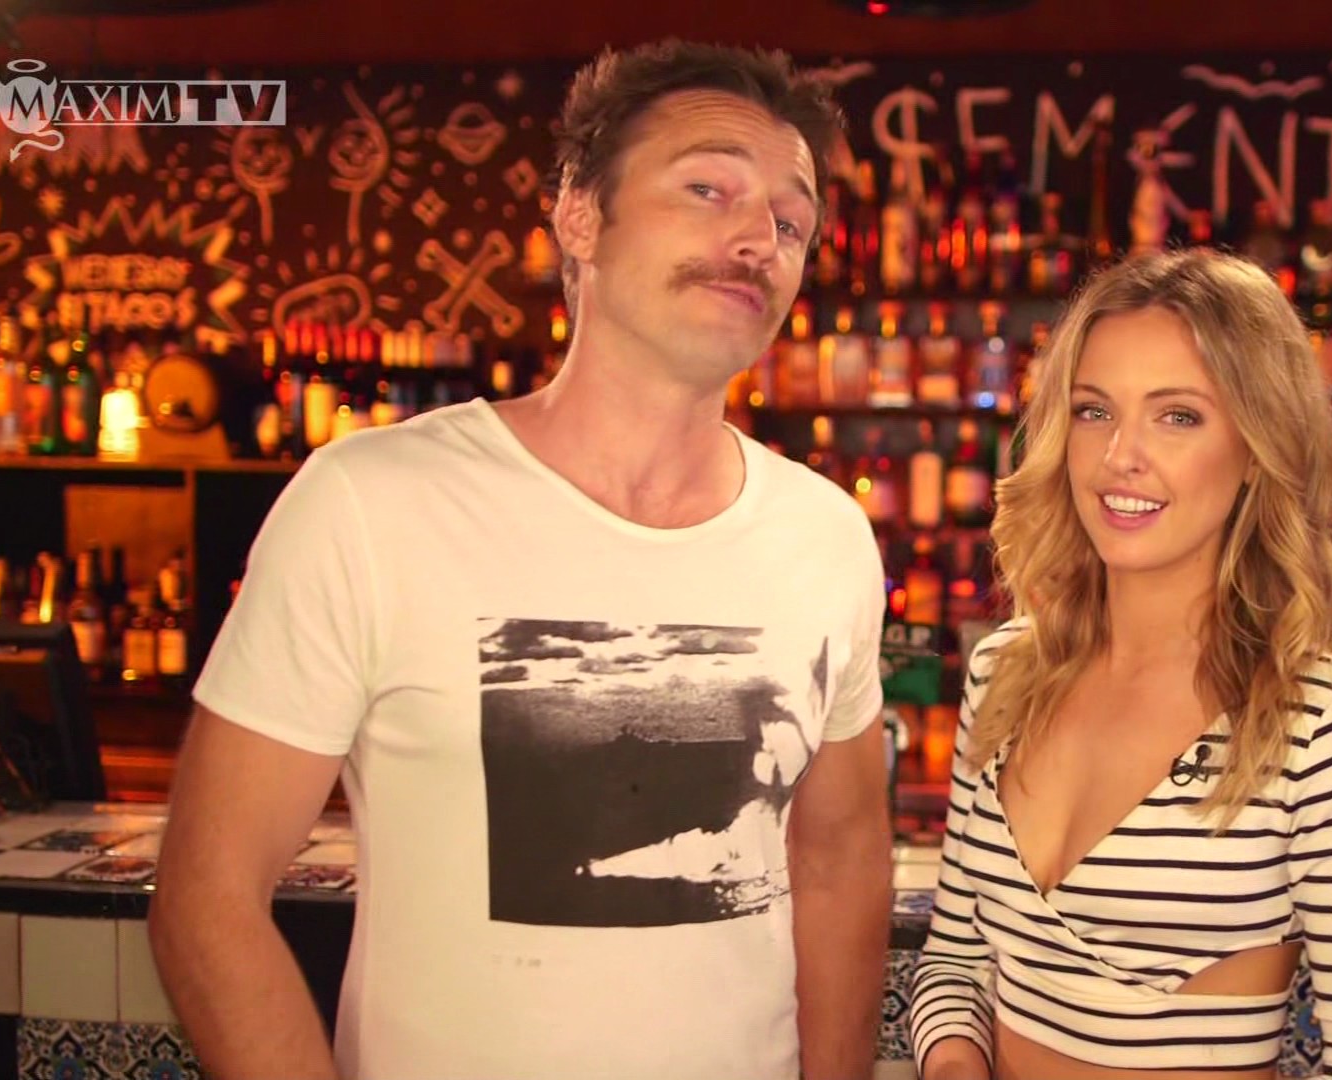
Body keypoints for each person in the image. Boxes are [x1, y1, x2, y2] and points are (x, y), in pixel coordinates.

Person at [149, 39, 891, 1080]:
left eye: (791, 222)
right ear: (580, 215)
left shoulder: (825, 535)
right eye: (707, 188)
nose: (756, 238)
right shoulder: (370, 503)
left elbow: (841, 860)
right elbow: (207, 896)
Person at [908, 248, 1332, 1080]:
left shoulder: (1321, 728)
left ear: (1257, 447)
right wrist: (952, 1066)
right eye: (1093, 410)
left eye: (1178, 416)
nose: (1120, 454)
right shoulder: (1005, 674)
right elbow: (955, 962)